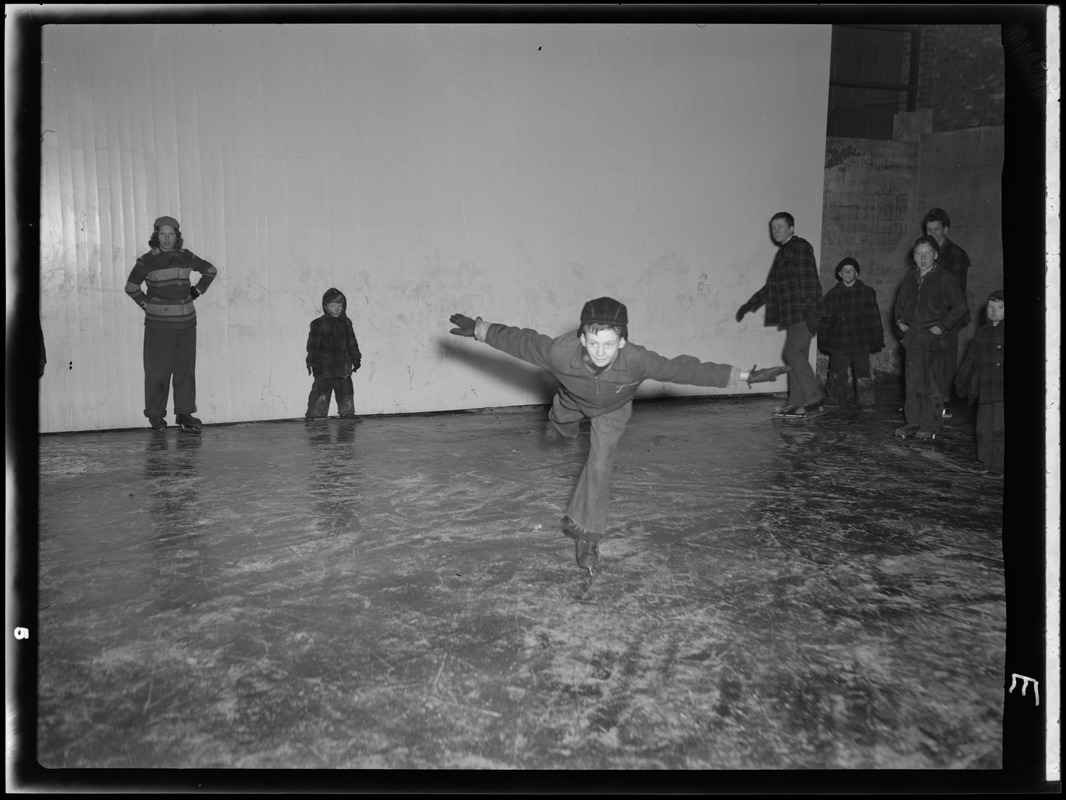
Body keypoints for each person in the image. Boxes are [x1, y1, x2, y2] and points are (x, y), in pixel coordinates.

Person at [448, 297, 789, 574]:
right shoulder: (560, 352)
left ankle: (588, 536)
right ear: (582, 338)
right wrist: (480, 328)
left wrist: (746, 377)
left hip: (613, 409)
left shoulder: (638, 361)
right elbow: (521, 341)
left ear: (622, 341)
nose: (600, 352)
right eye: (593, 343)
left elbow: (688, 369)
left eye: (609, 345)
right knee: (562, 428)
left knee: (600, 464)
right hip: (571, 399)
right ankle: (558, 425)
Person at [125, 215, 218, 434]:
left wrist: (197, 290)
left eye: (171, 234)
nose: (167, 239)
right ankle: (156, 416)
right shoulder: (146, 261)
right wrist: (147, 305)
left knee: (185, 370)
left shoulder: (187, 257)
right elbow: (131, 287)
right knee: (158, 371)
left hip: (186, 323)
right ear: (156, 236)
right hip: (159, 326)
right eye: (162, 234)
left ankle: (185, 414)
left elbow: (210, 270)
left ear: (177, 236)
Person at [736, 212, 826, 418]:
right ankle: (796, 402)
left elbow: (809, 280)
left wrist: (812, 313)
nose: (775, 230)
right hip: (793, 315)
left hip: (804, 312)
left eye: (780, 226)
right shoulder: (784, 252)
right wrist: (750, 305)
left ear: (791, 228)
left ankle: (814, 398)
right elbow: (772, 286)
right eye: (773, 227)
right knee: (796, 357)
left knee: (792, 353)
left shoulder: (799, 247)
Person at [892, 236, 967, 440]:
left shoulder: (944, 277)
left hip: (934, 341)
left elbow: (960, 306)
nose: (922, 258)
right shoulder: (908, 279)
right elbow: (899, 307)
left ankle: (930, 424)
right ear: (913, 257)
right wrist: (901, 324)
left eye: (927, 254)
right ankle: (913, 422)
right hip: (913, 339)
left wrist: (941, 327)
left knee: (933, 384)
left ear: (935, 255)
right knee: (913, 383)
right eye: (918, 254)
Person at [922, 208, 972, 416]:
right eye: (928, 230)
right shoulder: (924, 251)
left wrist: (943, 323)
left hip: (950, 315)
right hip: (929, 314)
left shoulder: (956, 255)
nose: (932, 234)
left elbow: (956, 296)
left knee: (946, 359)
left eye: (936, 230)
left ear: (946, 230)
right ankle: (926, 401)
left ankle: (944, 403)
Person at [819, 257, 884, 410]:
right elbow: (826, 321)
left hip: (860, 341)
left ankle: (866, 402)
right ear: (840, 274)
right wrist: (824, 340)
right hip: (839, 342)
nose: (848, 273)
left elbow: (874, 317)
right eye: (844, 271)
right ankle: (835, 400)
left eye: (851, 270)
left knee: (863, 373)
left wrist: (876, 339)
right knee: (836, 373)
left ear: (857, 274)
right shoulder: (832, 294)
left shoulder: (866, 292)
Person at [954, 290, 1004, 478]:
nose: (994, 311)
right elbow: (971, 359)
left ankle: (999, 466)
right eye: (991, 307)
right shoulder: (982, 331)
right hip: (985, 388)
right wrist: (963, 380)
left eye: (1000, 308)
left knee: (999, 428)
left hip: (1001, 389)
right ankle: (985, 461)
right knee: (983, 427)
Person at [305, 287, 362, 420]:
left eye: (339, 305)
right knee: (321, 391)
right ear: (325, 307)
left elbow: (352, 342)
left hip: (343, 365)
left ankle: (347, 412)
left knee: (346, 390)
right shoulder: (318, 324)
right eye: (332, 305)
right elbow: (312, 346)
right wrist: (313, 363)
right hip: (325, 365)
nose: (336, 309)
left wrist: (356, 357)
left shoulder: (346, 323)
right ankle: (316, 415)